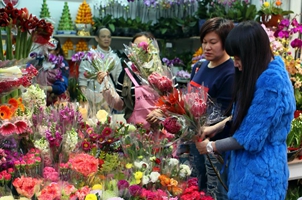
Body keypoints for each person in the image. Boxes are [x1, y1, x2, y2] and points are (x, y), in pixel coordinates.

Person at [194, 20, 296, 200]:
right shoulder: (259, 74)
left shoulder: (272, 83)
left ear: (252, 54)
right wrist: (214, 128)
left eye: (238, 58)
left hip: (260, 178)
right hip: (246, 172)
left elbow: (250, 138)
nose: (235, 64)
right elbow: (246, 116)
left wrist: (211, 146)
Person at [180, 17, 234, 200]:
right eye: (204, 42)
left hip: (215, 146)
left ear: (226, 42)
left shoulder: (231, 72)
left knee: (215, 191)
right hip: (195, 140)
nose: (207, 47)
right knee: (195, 188)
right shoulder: (199, 66)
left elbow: (226, 115)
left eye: (213, 42)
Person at [97, 31, 163, 130]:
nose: (140, 50)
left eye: (144, 46)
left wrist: (161, 111)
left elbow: (173, 102)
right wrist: (105, 84)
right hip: (135, 133)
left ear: (153, 48)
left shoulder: (163, 73)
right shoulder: (126, 74)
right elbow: (119, 105)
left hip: (161, 131)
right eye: (135, 47)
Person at [78, 27, 122, 116]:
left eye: (109, 37)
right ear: (96, 38)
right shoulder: (89, 56)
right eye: (103, 36)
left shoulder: (115, 58)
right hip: (92, 98)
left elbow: (119, 80)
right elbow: (83, 80)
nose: (106, 39)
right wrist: (85, 99)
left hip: (111, 98)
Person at [35, 36, 69, 106]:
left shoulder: (62, 64)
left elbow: (62, 85)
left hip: (56, 103)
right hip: (38, 101)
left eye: (49, 50)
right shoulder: (38, 62)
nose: (46, 53)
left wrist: (46, 88)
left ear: (57, 50)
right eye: (45, 50)